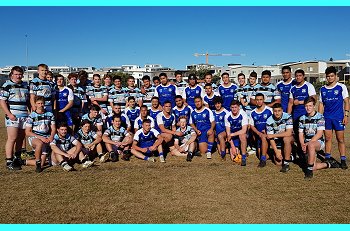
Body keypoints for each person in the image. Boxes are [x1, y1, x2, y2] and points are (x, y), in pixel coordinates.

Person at [318, 66, 349, 169]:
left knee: (340, 139)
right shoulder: (323, 89)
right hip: (326, 118)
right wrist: (319, 117)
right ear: (326, 77)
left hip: (338, 117)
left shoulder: (341, 87)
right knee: (327, 138)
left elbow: (346, 101)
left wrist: (346, 115)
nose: (330, 78)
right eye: (328, 76)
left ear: (336, 76)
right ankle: (328, 158)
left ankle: (343, 160)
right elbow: (321, 104)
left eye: (332, 76)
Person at [0, 66, 29, 170]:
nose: (18, 76)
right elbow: (2, 101)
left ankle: (18, 157)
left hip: (24, 115)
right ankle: (9, 161)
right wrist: (9, 114)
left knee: (21, 138)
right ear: (12, 74)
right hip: (13, 115)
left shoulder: (26, 85)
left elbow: (28, 101)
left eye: (20, 74)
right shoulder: (7, 85)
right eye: (16, 74)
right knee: (12, 138)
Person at [299, 97, 332, 179]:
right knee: (314, 166)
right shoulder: (302, 118)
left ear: (314, 106)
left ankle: (309, 171)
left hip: (318, 142)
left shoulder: (320, 117)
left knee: (311, 145)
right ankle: (329, 164)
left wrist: (308, 143)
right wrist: (302, 144)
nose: (308, 108)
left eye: (310, 106)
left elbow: (319, 133)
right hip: (307, 143)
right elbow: (300, 133)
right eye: (306, 106)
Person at [24, 96, 56, 172]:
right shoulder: (31, 116)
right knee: (39, 143)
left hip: (46, 137)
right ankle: (38, 161)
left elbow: (53, 128)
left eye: (42, 103)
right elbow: (27, 132)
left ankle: (24, 162)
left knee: (43, 164)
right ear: (35, 104)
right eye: (38, 103)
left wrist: (51, 137)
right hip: (35, 137)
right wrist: (40, 137)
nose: (40, 105)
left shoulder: (50, 114)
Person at [266, 103, 294, 172]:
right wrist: (276, 152)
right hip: (277, 141)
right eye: (275, 111)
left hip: (288, 138)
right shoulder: (269, 121)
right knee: (278, 162)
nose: (277, 113)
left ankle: (286, 163)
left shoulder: (288, 116)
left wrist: (274, 135)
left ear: (282, 110)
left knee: (286, 139)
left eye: (279, 111)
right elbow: (270, 138)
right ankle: (289, 155)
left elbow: (289, 133)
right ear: (273, 111)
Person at [249, 93, 273, 167]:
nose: (259, 101)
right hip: (259, 135)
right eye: (257, 100)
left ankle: (263, 160)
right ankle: (266, 155)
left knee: (264, 156)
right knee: (260, 155)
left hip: (269, 134)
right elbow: (252, 126)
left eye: (261, 100)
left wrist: (268, 131)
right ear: (255, 101)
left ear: (263, 100)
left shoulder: (269, 110)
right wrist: (258, 133)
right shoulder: (252, 113)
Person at [225, 100, 249, 166]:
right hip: (233, 137)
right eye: (232, 107)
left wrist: (232, 134)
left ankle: (244, 156)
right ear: (230, 108)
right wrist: (232, 146)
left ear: (239, 107)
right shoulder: (227, 116)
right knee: (234, 158)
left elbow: (244, 130)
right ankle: (234, 148)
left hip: (240, 134)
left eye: (235, 107)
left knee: (242, 136)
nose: (234, 109)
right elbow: (228, 133)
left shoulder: (243, 114)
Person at [212, 96, 230, 161]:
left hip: (225, 132)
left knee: (220, 136)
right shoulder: (213, 113)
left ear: (221, 103)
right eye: (216, 104)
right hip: (217, 134)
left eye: (219, 103)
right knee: (220, 152)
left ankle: (223, 156)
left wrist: (228, 135)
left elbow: (229, 125)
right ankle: (227, 149)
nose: (217, 105)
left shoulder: (226, 112)